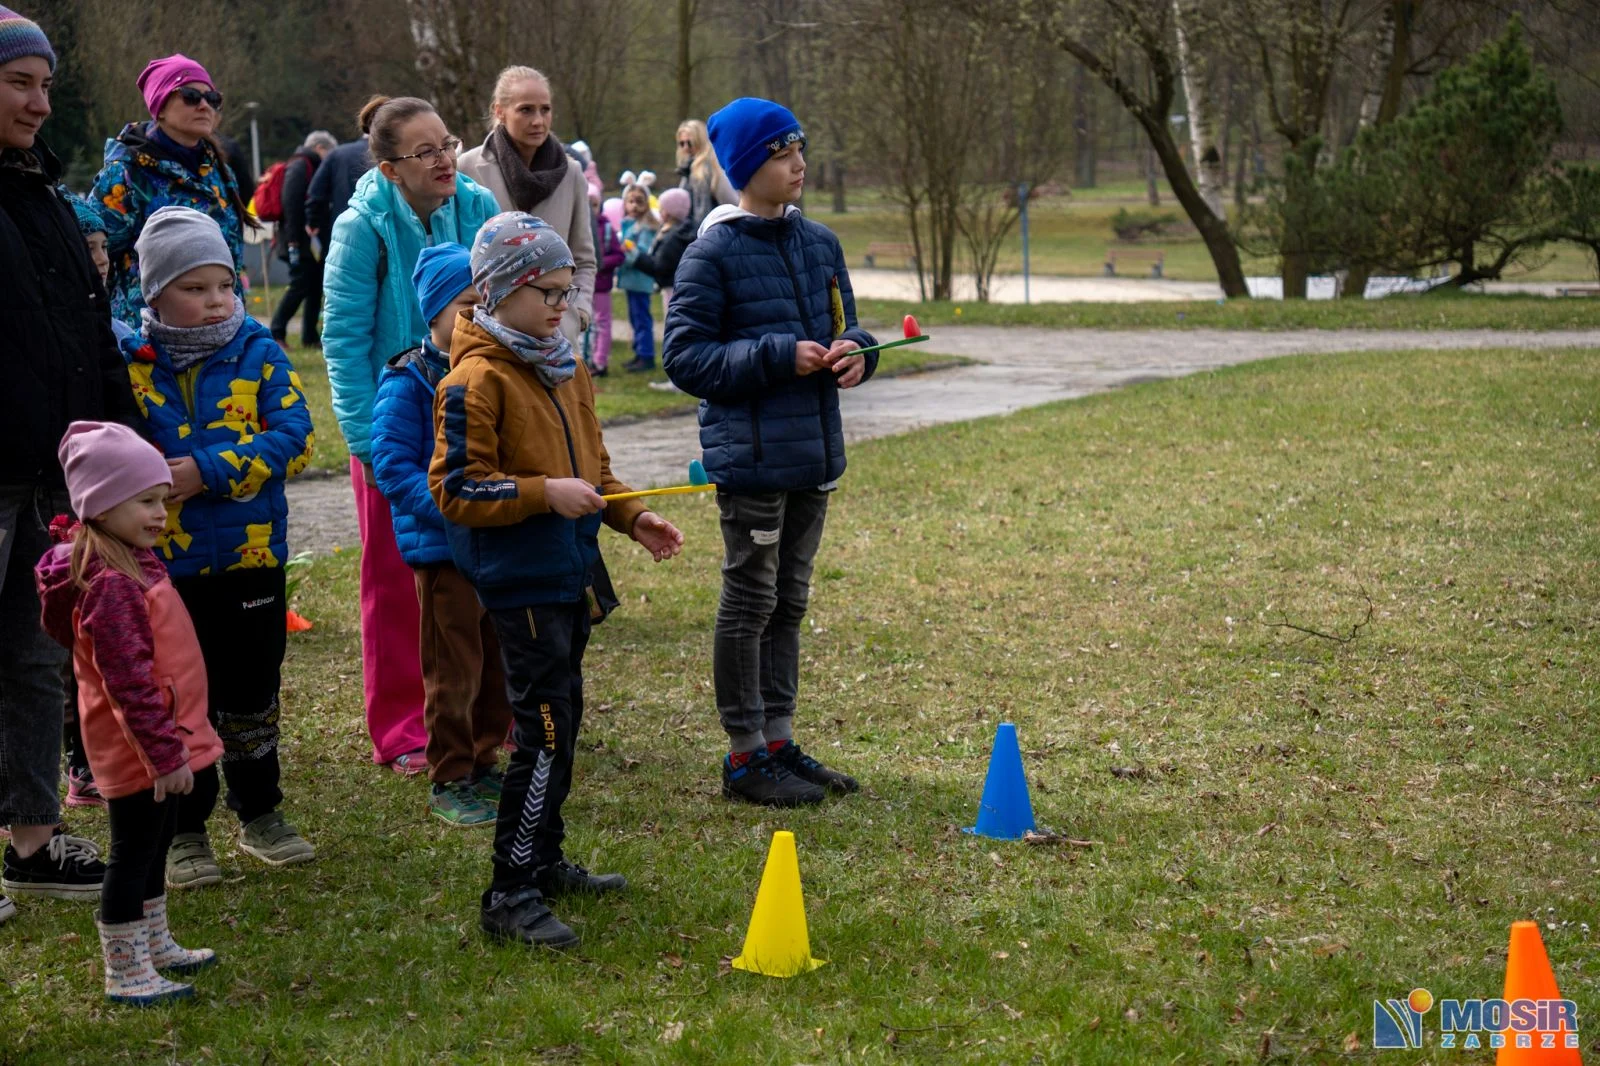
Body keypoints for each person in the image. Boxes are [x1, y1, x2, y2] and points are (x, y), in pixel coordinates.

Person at [429, 212, 684, 948]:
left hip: (571, 573)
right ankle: (508, 892)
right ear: (500, 289)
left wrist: (631, 517)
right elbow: (454, 491)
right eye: (545, 290)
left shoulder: (564, 367)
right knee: (540, 733)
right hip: (521, 584)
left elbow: (595, 472)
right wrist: (543, 493)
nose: (560, 304)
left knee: (561, 724)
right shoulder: (471, 380)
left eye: (568, 290)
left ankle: (544, 860)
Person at [663, 97, 878, 807]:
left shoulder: (820, 243)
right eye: (784, 154)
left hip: (811, 456)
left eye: (800, 150)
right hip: (752, 459)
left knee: (790, 599)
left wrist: (860, 354)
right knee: (750, 599)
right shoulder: (711, 252)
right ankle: (745, 754)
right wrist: (779, 356)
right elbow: (687, 359)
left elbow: (851, 323)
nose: (800, 165)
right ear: (748, 166)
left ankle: (781, 739)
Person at [119, 206, 316, 886]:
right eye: (193, 289)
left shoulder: (259, 351)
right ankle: (185, 828)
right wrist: (150, 477)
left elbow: (295, 438)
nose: (213, 302)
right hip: (163, 570)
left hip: (250, 561)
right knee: (177, 696)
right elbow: (112, 451)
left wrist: (206, 470)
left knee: (252, 688)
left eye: (223, 286)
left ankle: (261, 811)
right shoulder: (133, 368)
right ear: (154, 296)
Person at [321, 94, 500, 773]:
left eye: (447, 143)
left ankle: (483, 716)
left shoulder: (478, 208)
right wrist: (370, 444)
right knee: (398, 582)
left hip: (474, 412)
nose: (445, 159)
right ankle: (403, 729)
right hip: (396, 422)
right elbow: (341, 339)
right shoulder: (361, 226)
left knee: (479, 573)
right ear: (392, 168)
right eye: (426, 151)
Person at [0, 5, 122, 918]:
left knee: (33, 660)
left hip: (43, 469)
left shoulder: (40, 191)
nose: (40, 102)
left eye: (45, 84)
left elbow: (83, 328)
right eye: (18, 82)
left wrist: (118, 440)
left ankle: (33, 842)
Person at [35, 422, 223, 1005]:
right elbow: (129, 685)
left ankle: (154, 942)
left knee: (157, 843)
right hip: (140, 748)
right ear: (101, 504)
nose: (160, 513)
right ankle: (125, 967)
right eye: (145, 501)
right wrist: (165, 755)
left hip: (161, 740)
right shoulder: (112, 585)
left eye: (162, 499)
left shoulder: (136, 560)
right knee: (131, 853)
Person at [370, 244, 511, 827]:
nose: (479, 318)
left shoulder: (500, 373)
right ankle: (450, 774)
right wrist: (453, 507)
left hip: (499, 548)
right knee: (453, 667)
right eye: (467, 306)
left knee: (498, 663)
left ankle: (484, 758)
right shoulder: (408, 380)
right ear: (434, 313)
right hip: (443, 549)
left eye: (488, 305)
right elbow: (392, 464)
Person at [87, 53, 254, 331]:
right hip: (152, 337)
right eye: (190, 96)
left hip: (220, 330)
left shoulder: (218, 170)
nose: (204, 106)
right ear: (160, 107)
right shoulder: (127, 173)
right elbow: (94, 255)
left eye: (212, 99)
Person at [456, 66, 597, 347]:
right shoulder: (467, 169)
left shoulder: (571, 174)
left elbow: (583, 257)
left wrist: (579, 311)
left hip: (557, 338)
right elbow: (457, 254)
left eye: (545, 110)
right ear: (499, 111)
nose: (538, 120)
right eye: (526, 110)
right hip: (489, 337)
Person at [269, 129, 337, 348]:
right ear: (319, 148)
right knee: (299, 285)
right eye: (330, 153)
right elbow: (291, 204)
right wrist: (293, 241)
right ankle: (276, 331)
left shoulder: (310, 166)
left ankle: (310, 335)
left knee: (315, 285)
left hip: (309, 242)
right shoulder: (300, 166)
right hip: (297, 240)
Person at [304, 124, 373, 246]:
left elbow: (316, 192)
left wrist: (313, 221)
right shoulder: (394, 154)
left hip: (344, 227)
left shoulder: (337, 153)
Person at [616, 183, 658, 372]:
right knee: (634, 317)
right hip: (630, 278)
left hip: (640, 278)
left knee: (642, 318)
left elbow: (642, 253)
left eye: (639, 202)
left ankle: (646, 355)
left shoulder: (646, 228)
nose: (634, 206)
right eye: (630, 201)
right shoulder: (627, 224)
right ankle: (639, 352)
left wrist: (626, 249)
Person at [633, 186, 693, 317]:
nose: (659, 211)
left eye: (662, 208)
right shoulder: (680, 231)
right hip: (675, 285)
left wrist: (635, 257)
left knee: (672, 320)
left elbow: (660, 266)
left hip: (672, 287)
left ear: (670, 211)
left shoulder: (673, 237)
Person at [587, 184, 623, 376]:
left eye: (594, 204)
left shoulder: (606, 226)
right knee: (586, 323)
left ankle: (600, 362)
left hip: (601, 284)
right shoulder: (579, 226)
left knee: (602, 323)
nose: (591, 209)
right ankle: (587, 358)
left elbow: (618, 255)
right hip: (583, 284)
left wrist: (600, 263)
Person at [675, 119, 736, 224]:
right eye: (682, 143)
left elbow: (732, 203)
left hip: (711, 229)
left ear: (700, 141)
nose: (685, 147)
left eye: (689, 143)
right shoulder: (686, 170)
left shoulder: (712, 169)